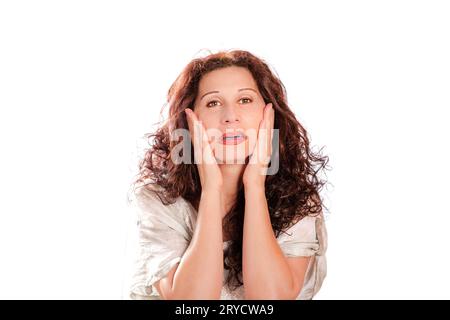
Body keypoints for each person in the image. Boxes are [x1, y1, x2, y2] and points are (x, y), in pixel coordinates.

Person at [127, 49, 330, 300]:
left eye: (245, 100)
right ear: (190, 121)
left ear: (269, 113)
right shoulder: (159, 199)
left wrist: (254, 184)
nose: (230, 117)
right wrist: (212, 188)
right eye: (213, 103)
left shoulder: (298, 201)